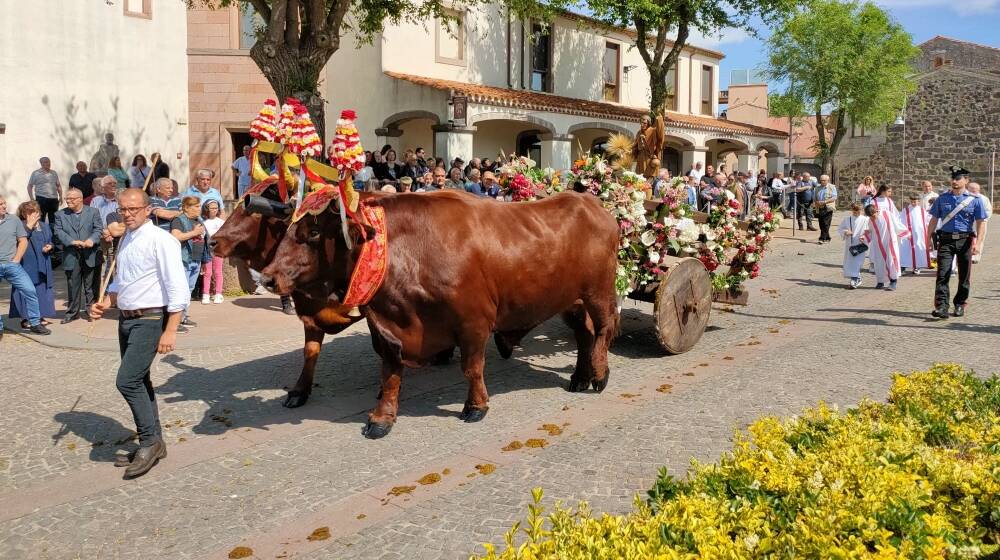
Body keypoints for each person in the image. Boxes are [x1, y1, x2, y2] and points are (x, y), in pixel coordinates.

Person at [90, 188, 188, 479]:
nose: (128, 214)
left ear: (148, 209)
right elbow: (122, 282)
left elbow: (178, 288)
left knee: (127, 381)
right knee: (140, 380)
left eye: (133, 209)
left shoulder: (162, 240)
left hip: (151, 318)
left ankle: (148, 442)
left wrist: (171, 330)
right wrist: (104, 303)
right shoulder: (127, 239)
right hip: (126, 319)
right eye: (123, 209)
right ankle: (156, 441)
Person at [927, 167, 988, 318]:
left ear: (966, 181)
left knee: (964, 275)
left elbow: (981, 222)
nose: (954, 181)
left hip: (965, 240)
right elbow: (934, 220)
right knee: (943, 273)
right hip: (946, 240)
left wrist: (978, 243)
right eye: (953, 178)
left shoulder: (975, 200)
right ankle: (942, 307)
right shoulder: (942, 198)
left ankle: (960, 304)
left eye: (958, 178)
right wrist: (928, 238)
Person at [0, 197, 52, 338]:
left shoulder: (13, 220)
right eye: (1, 204)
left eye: (4, 203)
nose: (4, 206)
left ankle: (35, 323)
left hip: (12, 265)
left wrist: (16, 259)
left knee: (30, 291)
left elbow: (23, 240)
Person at [54, 188, 103, 323]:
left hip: (90, 254)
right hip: (71, 254)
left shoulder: (93, 212)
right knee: (72, 285)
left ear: (80, 199)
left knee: (91, 285)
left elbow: (98, 229)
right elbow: (58, 231)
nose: (68, 201)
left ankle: (91, 311)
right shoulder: (60, 214)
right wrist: (71, 241)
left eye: (72, 198)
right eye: (67, 198)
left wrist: (91, 240)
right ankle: (72, 313)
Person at [9, 201, 57, 325]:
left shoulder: (44, 225)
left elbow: (51, 241)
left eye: (35, 211)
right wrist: (29, 226)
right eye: (30, 212)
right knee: (26, 289)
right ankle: (25, 317)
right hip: (26, 262)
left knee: (41, 290)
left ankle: (40, 316)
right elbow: (18, 240)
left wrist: (49, 246)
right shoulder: (19, 225)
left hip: (43, 261)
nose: (34, 214)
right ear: (24, 214)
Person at [170, 196, 208, 331]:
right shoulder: (179, 220)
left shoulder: (199, 220)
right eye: (196, 206)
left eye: (199, 206)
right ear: (186, 207)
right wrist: (194, 232)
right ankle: (175, 321)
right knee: (181, 291)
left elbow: (204, 241)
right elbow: (176, 237)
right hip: (183, 259)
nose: (199, 209)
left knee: (189, 290)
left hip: (196, 260)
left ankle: (183, 316)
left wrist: (204, 260)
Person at [863, 193, 909, 291]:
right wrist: (865, 238)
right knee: (879, 262)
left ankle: (893, 281)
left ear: (876, 211)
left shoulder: (886, 214)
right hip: (878, 245)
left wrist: (905, 233)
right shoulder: (871, 220)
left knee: (891, 261)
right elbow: (870, 232)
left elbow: (897, 224)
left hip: (890, 242)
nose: (873, 218)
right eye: (870, 217)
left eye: (873, 215)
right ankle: (880, 281)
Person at [200, 200, 226, 304]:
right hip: (207, 249)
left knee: (218, 272)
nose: (214, 210)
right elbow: (202, 236)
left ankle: (218, 293)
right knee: (207, 272)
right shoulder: (203, 222)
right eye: (212, 208)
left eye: (216, 208)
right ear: (207, 209)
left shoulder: (221, 222)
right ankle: (206, 294)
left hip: (218, 249)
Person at [838, 203, 869, 289]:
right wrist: (845, 232)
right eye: (855, 212)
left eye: (859, 212)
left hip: (860, 245)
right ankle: (856, 278)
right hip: (850, 245)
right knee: (850, 262)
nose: (857, 214)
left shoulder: (866, 220)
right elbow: (840, 229)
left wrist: (864, 236)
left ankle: (854, 279)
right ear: (852, 211)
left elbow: (869, 231)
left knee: (857, 262)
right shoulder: (847, 219)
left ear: (862, 211)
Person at [899, 193, 931, 274]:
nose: (914, 203)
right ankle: (903, 266)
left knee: (918, 249)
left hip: (919, 234)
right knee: (905, 250)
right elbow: (901, 221)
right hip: (908, 234)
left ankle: (917, 266)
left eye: (916, 201)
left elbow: (927, 221)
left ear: (919, 201)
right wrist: (904, 232)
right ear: (910, 201)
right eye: (912, 201)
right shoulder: (905, 210)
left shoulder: (922, 210)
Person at [27, 157, 62, 225]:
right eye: (45, 162)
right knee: (40, 218)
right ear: (41, 163)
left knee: (53, 219)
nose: (48, 163)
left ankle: (52, 234)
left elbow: (58, 185)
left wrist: (60, 196)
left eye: (48, 162)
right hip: (41, 198)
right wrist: (32, 198)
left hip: (54, 199)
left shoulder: (54, 173)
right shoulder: (36, 173)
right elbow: (29, 186)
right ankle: (41, 234)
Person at [966, 182, 992, 263]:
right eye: (972, 190)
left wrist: (981, 219)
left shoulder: (984, 199)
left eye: (976, 190)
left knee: (979, 239)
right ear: (968, 189)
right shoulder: (964, 198)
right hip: (967, 223)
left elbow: (988, 211)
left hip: (981, 223)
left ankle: (976, 257)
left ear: (979, 190)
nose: (974, 192)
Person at [813, 175, 837, 244]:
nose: (822, 182)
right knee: (821, 223)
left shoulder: (832, 187)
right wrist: (816, 202)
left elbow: (834, 197)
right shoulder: (817, 188)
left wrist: (824, 202)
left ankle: (823, 238)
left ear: (827, 180)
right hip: (819, 207)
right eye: (821, 180)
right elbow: (814, 198)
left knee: (826, 223)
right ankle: (827, 237)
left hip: (828, 207)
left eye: (824, 180)